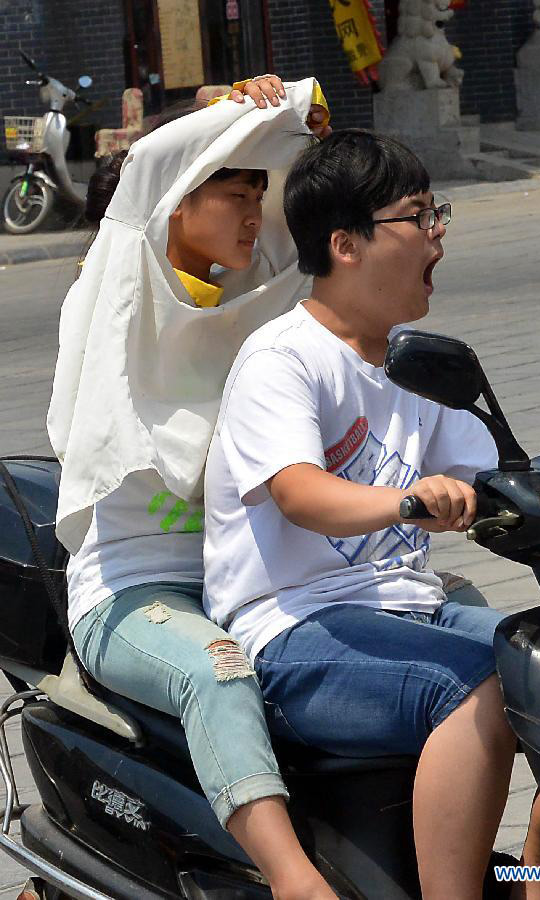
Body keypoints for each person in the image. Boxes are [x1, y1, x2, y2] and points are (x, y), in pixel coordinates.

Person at [203, 129, 540, 900]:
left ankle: (537, 887)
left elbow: (502, 478)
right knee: (479, 684)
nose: (439, 233)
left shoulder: (414, 364)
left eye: (436, 212)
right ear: (346, 243)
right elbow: (299, 491)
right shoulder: (283, 357)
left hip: (405, 608)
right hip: (289, 629)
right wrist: (406, 500)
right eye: (419, 216)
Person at [47, 76, 337, 900]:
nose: (254, 214)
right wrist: (241, 109)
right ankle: (295, 884)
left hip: (245, 582)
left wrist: (300, 119)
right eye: (232, 193)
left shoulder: (263, 295)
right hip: (132, 591)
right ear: (176, 200)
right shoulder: (118, 288)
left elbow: (315, 184)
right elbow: (151, 162)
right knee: (219, 674)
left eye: (260, 194)